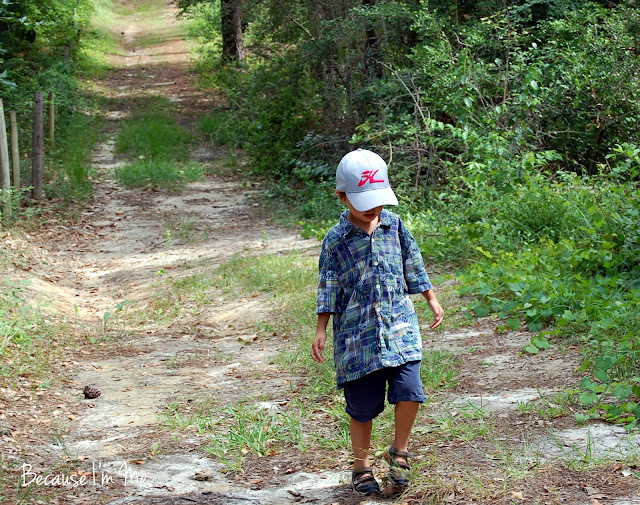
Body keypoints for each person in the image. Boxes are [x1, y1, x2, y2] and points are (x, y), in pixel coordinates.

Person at [311, 148, 444, 496]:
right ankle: (362, 464)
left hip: (400, 328)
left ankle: (399, 452)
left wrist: (430, 298)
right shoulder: (336, 240)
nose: (374, 208)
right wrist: (322, 328)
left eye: (379, 201)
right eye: (364, 201)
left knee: (410, 390)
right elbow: (329, 284)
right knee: (362, 405)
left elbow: (412, 263)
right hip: (357, 337)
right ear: (342, 196)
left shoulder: (394, 226)